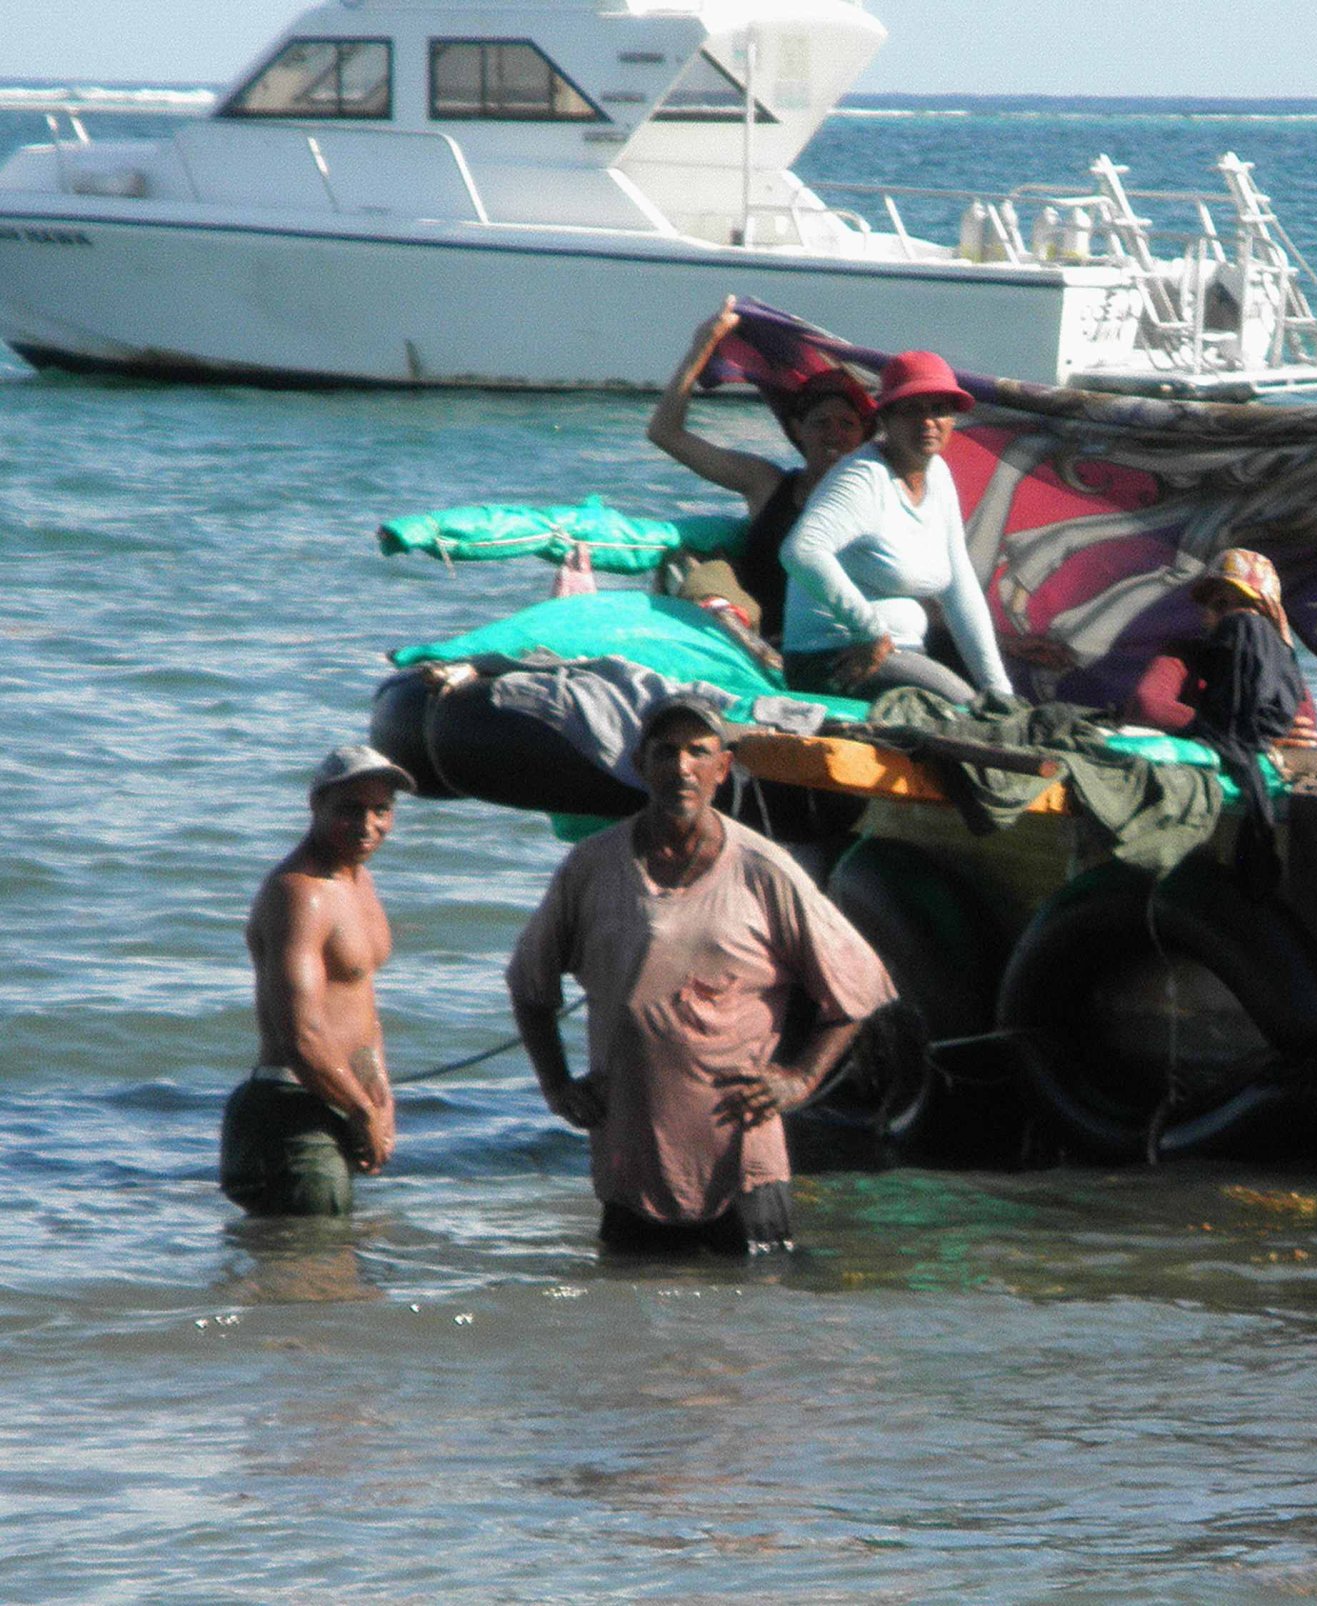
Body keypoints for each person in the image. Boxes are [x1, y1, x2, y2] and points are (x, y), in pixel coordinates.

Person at [507, 696, 895, 1255]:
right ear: (640, 764)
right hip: (629, 1162)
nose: (681, 767)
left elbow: (859, 989)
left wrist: (802, 1078)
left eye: (698, 752)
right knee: (626, 1322)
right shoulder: (591, 866)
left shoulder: (764, 869)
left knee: (753, 1325)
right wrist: (556, 1085)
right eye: (665, 752)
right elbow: (529, 984)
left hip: (740, 1164)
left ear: (722, 768)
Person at [222, 746, 412, 1217]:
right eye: (351, 809)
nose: (369, 825)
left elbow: (361, 1006)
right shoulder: (299, 894)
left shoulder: (358, 881)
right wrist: (362, 1111)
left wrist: (378, 1096)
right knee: (312, 1275)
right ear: (317, 805)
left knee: (329, 1276)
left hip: (339, 1101)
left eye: (381, 810)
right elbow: (301, 1036)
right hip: (290, 1109)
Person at [780, 349, 1016, 705]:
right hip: (834, 659)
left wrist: (999, 688)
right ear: (886, 419)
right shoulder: (863, 477)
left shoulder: (938, 476)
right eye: (912, 410)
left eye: (939, 410)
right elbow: (801, 551)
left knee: (996, 709)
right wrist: (870, 632)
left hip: (902, 654)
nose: (928, 422)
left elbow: (959, 588)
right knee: (965, 708)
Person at [646, 296, 874, 643]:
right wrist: (702, 347)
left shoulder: (878, 497)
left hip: (834, 643)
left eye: (847, 424)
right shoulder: (766, 484)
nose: (835, 435)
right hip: (757, 642)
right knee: (697, 567)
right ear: (798, 430)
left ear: (863, 435)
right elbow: (665, 433)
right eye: (821, 423)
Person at [1125, 547, 1317, 749]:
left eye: (1245, 605)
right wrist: (1246, 735)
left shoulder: (1282, 675)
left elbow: (1305, 733)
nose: (1231, 615)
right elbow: (1147, 705)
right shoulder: (1183, 655)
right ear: (1205, 614)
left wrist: (1284, 652)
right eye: (1220, 604)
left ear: (1269, 618)